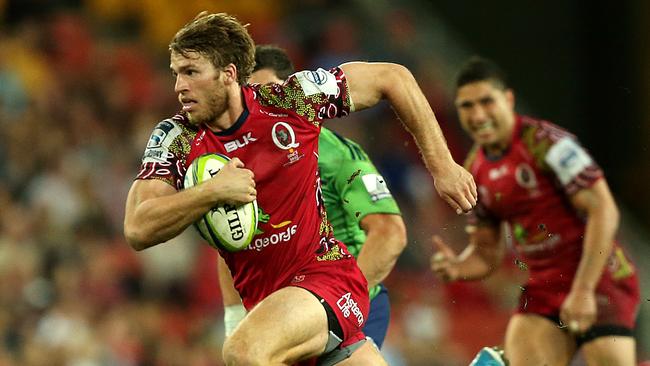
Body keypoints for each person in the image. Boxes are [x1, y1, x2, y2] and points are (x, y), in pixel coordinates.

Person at [124, 12, 477, 366]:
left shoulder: (290, 101)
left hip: (326, 279)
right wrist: (210, 192)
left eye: (191, 72)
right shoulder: (177, 138)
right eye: (175, 73)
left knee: (242, 352)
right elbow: (138, 228)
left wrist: (442, 166)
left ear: (228, 74)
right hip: (273, 307)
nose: (179, 87)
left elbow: (392, 77)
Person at [430, 56, 640, 366]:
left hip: (599, 277)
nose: (478, 115)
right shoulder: (473, 171)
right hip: (545, 287)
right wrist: (458, 267)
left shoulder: (546, 143)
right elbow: (486, 254)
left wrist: (583, 289)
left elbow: (604, 209)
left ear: (509, 99)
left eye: (487, 102)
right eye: (467, 106)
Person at [218, 44, 406, 350]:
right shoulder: (241, 165)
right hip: (286, 313)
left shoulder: (336, 156)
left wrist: (340, 300)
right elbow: (230, 242)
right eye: (253, 96)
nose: (265, 106)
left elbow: (389, 233)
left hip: (349, 302)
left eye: (273, 94)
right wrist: (234, 323)